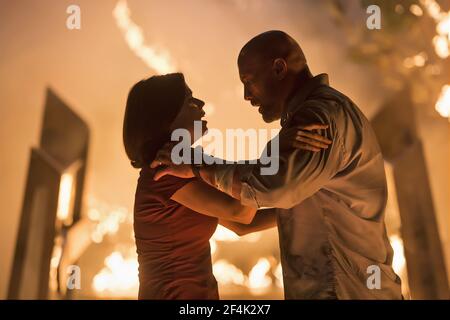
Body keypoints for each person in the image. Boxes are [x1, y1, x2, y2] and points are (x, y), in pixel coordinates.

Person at [152, 31, 403, 299]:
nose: (247, 95)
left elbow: (270, 189)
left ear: (279, 68)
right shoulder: (321, 113)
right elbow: (257, 209)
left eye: (249, 81)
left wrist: (198, 165)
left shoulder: (319, 117)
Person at [123, 72, 331, 299]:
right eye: (190, 101)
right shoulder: (164, 173)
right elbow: (240, 211)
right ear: (166, 119)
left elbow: (243, 225)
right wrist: (276, 149)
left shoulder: (190, 161)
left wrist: (312, 209)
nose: (201, 104)